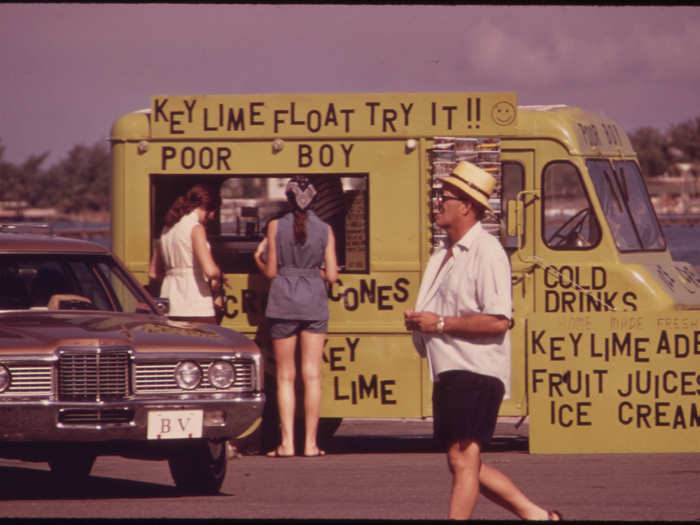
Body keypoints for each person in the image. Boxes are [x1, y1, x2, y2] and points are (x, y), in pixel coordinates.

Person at [404, 161, 561, 520]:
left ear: (467, 206)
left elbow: (499, 321)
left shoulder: (487, 251)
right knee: (461, 461)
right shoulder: (441, 254)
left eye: (445, 197)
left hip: (475, 370)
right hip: (449, 367)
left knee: (462, 457)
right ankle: (536, 516)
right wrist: (421, 322)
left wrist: (440, 322)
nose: (438, 203)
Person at [254, 175, 339, 458]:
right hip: (314, 302)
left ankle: (287, 443)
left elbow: (270, 272)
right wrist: (314, 272)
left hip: (283, 303)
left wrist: (257, 256)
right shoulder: (326, 229)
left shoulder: (276, 226)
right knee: (312, 375)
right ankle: (311, 444)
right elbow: (334, 275)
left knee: (285, 376)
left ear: (288, 199)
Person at [148, 184, 224, 324]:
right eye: (214, 212)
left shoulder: (167, 228)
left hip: (169, 304)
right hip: (196, 305)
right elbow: (210, 271)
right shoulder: (196, 228)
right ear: (208, 208)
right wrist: (219, 274)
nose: (213, 217)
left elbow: (153, 273)